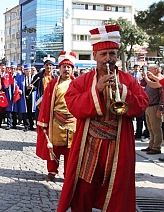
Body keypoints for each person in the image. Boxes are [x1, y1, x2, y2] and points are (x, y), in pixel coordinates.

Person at [57, 25, 149, 212]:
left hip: (118, 143)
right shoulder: (82, 81)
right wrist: (96, 90)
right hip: (89, 144)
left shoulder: (128, 80)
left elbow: (142, 104)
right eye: (104, 54)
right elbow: (73, 105)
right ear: (95, 56)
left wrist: (123, 92)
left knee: (117, 188)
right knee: (83, 187)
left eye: (112, 54)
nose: (108, 58)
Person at [36, 51, 77, 182]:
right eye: (64, 66)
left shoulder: (78, 84)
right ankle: (52, 171)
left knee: (71, 150)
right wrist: (43, 122)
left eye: (69, 67)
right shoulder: (53, 84)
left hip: (72, 122)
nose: (66, 69)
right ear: (59, 68)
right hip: (56, 121)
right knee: (54, 148)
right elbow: (46, 103)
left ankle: (68, 173)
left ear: (72, 69)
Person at [141, 64, 163, 155]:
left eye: (149, 69)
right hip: (149, 106)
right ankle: (151, 145)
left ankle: (156, 147)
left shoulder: (160, 79)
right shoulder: (152, 79)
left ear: (156, 70)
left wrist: (160, 108)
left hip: (155, 106)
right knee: (150, 128)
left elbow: (162, 95)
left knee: (156, 128)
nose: (148, 71)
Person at [33, 55, 55, 121]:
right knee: (40, 118)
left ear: (53, 66)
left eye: (50, 65)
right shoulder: (38, 76)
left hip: (51, 100)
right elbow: (34, 87)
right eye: (47, 65)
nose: (48, 67)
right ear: (44, 66)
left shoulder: (56, 77)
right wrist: (31, 87)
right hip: (41, 100)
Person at [18, 64, 36, 131]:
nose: (28, 72)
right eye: (26, 71)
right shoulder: (21, 78)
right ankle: (26, 126)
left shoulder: (34, 78)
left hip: (32, 96)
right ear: (24, 71)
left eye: (29, 71)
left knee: (31, 111)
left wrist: (32, 87)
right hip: (24, 96)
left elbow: (36, 87)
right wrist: (19, 90)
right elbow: (18, 86)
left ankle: (31, 125)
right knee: (25, 111)